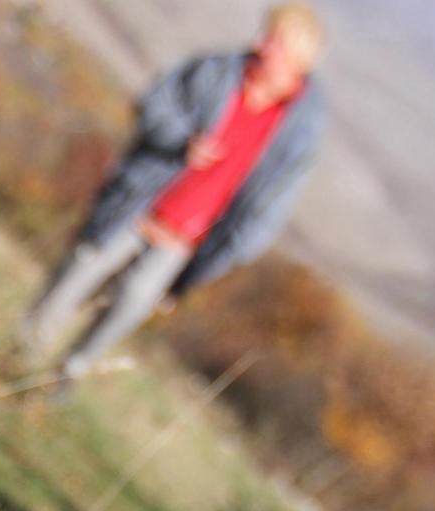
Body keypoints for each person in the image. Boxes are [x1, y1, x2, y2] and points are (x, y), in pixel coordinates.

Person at [19, 3, 328, 383]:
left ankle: (62, 379)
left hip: (185, 243)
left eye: (276, 43)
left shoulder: (300, 134)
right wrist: (183, 142)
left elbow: (270, 206)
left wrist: (227, 253)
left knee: (127, 309)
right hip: (137, 205)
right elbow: (153, 104)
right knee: (76, 275)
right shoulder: (215, 72)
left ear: (299, 61)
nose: (261, 45)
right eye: (267, 36)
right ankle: (19, 358)